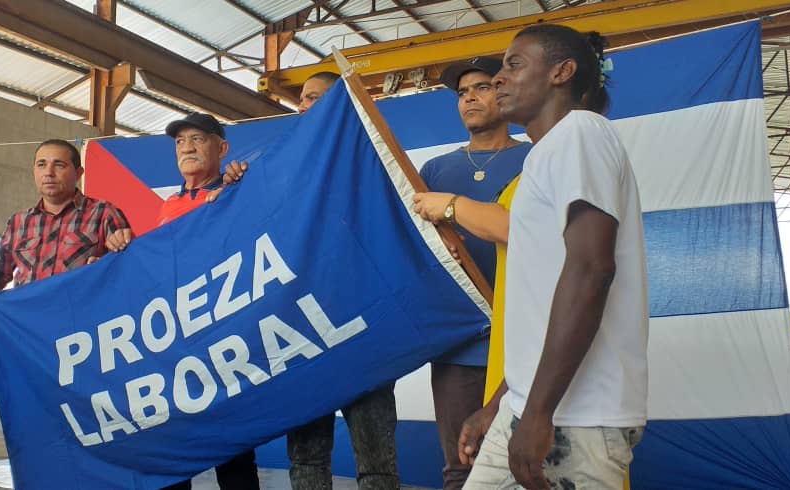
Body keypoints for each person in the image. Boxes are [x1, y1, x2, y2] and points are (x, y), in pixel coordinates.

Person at [460, 25, 648, 490]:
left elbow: (591, 271)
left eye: (513, 65)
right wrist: (501, 403)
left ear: (562, 72)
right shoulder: (546, 155)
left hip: (576, 419)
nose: (498, 78)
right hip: (529, 406)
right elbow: (545, 302)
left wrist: (538, 412)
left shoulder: (580, 133)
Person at [223, 71, 401, 490]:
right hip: (301, 327)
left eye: (316, 98)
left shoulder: (370, 156)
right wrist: (237, 187)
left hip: (363, 323)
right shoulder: (273, 164)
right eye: (302, 99)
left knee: (375, 456)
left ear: (341, 103)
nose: (305, 106)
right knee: (306, 455)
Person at [106, 113, 260, 490]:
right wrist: (119, 250)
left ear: (222, 148)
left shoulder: (238, 188)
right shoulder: (168, 206)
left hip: (225, 337)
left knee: (234, 455)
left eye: (197, 139)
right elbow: (154, 273)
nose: (187, 147)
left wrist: (240, 187)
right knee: (172, 453)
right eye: (179, 142)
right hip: (176, 347)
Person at [410, 57, 531, 490]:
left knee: (531, 464)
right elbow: (418, 253)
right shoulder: (433, 172)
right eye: (462, 93)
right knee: (461, 467)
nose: (470, 98)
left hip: (525, 338)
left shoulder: (537, 158)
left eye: (481, 87)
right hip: (458, 342)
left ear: (504, 91)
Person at [0, 139, 130, 307]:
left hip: (82, 322)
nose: (48, 172)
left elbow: (129, 269)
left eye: (59, 165)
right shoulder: (19, 222)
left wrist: (106, 265)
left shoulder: (104, 213)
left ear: (78, 173)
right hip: (29, 323)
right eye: (41, 164)